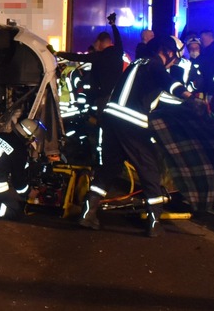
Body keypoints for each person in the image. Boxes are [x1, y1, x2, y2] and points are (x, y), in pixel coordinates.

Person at [79, 35, 187, 237]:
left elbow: (160, 96)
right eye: (176, 58)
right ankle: (154, 223)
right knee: (149, 169)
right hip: (132, 123)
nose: (175, 62)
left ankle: (88, 212)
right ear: (169, 52)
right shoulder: (155, 65)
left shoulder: (138, 63)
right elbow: (169, 84)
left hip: (111, 120)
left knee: (109, 168)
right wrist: (189, 97)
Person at [54, 13, 124, 113]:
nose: (94, 46)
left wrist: (58, 53)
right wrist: (113, 24)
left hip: (103, 96)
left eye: (95, 43)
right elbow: (118, 39)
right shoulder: (118, 52)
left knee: (102, 119)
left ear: (100, 42)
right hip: (116, 95)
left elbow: (77, 57)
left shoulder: (99, 56)